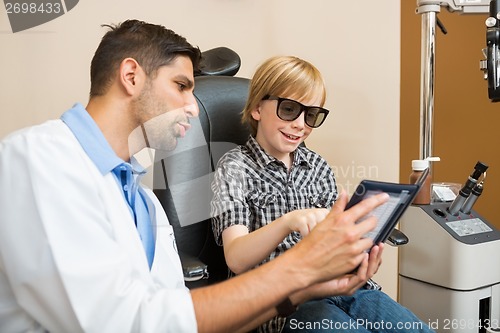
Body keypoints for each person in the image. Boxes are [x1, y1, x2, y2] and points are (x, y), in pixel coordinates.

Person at [0, 19, 393, 333]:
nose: (194, 105)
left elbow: (185, 318)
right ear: (132, 76)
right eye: (182, 86)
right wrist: (300, 269)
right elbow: (118, 322)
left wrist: (303, 289)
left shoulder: (145, 204)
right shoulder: (40, 158)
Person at [211, 55, 434, 333]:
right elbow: (236, 257)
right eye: (289, 109)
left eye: (312, 115)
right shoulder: (235, 167)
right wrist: (289, 221)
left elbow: (336, 238)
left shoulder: (317, 166)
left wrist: (359, 248)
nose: (301, 124)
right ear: (257, 108)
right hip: (284, 303)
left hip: (345, 288)